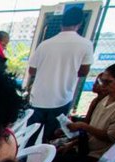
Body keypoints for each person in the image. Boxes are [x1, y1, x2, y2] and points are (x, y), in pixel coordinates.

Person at [38, 62, 115, 162]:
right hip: (86, 147)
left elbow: (111, 137)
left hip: (100, 155)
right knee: (50, 157)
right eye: (102, 81)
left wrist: (84, 127)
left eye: (108, 82)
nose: (103, 86)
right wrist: (72, 143)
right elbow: (92, 128)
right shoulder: (105, 99)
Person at [26, 7, 94, 145]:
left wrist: (46, 71)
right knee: (50, 139)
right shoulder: (86, 45)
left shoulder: (45, 44)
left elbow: (32, 70)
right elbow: (84, 72)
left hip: (38, 97)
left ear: (61, 22)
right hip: (62, 99)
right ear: (80, 24)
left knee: (30, 137)